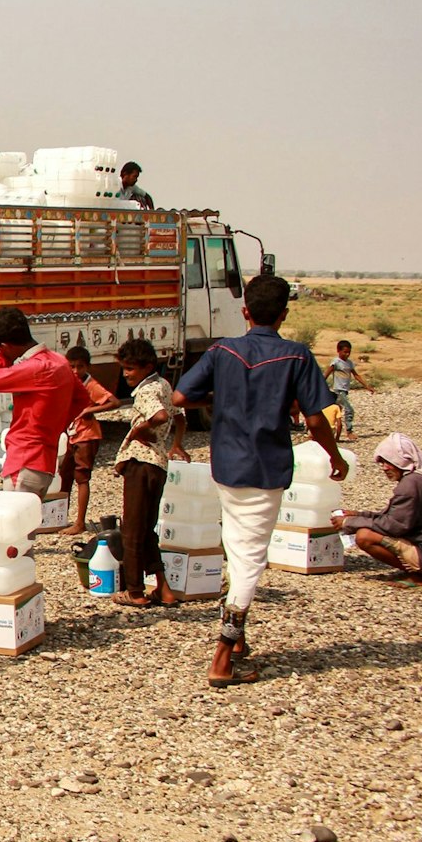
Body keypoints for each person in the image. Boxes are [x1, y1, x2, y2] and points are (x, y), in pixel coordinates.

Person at [174, 274, 343, 687]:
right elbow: (315, 419)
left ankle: (238, 642)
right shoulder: (297, 355)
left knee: (237, 548)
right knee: (250, 560)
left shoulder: (222, 351)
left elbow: (180, 397)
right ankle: (221, 658)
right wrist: (335, 456)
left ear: (245, 311)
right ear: (284, 314)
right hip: (266, 469)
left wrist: (221, 397)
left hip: (227, 467)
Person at [0, 307, 90, 496]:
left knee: (17, 515)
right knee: (30, 514)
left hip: (24, 460)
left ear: (5, 345)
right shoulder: (59, 361)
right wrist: (55, 427)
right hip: (45, 459)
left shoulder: (35, 368)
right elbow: (82, 398)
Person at [106, 338, 179, 608]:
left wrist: (138, 430)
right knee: (147, 530)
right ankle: (163, 588)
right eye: (124, 368)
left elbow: (160, 416)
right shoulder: (164, 385)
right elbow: (178, 414)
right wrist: (176, 444)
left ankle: (135, 591)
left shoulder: (146, 391)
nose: (126, 374)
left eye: (130, 368)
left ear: (147, 367)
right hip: (158, 463)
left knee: (132, 531)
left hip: (141, 463)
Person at [337, 434, 422, 587]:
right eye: (382, 463)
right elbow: (394, 516)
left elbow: (393, 525)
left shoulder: (410, 484)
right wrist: (358, 515)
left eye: (389, 462)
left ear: (402, 460)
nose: (384, 467)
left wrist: (349, 523)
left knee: (365, 537)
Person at [59, 345, 120, 534]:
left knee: (82, 477)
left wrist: (90, 410)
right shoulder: (71, 383)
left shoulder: (91, 385)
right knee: (65, 475)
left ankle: (79, 522)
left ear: (87, 367)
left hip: (87, 435)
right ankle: (60, 518)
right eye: (72, 366)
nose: (76, 370)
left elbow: (114, 402)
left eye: (80, 366)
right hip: (72, 435)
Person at [325, 340, 373, 441]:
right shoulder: (336, 362)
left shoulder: (349, 363)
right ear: (338, 351)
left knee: (336, 412)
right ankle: (349, 431)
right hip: (338, 390)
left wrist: (367, 386)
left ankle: (332, 433)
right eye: (345, 352)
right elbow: (327, 374)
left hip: (345, 390)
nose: (347, 354)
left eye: (349, 352)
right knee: (349, 410)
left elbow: (356, 375)